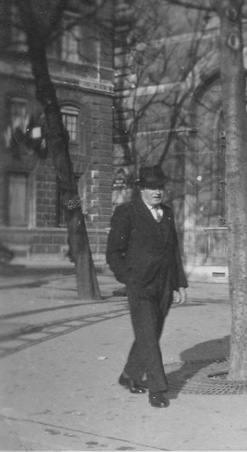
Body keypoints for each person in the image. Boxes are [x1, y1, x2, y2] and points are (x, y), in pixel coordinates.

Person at [106, 165, 187, 409]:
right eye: (152, 187)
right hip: (140, 286)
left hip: (163, 285)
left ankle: (129, 375)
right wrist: (129, 279)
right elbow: (113, 253)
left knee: (150, 334)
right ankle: (157, 390)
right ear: (141, 189)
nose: (157, 192)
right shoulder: (126, 212)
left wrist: (179, 284)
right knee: (150, 339)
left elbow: (172, 251)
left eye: (160, 187)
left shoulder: (168, 213)